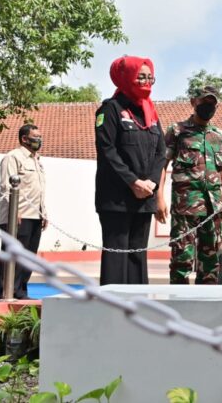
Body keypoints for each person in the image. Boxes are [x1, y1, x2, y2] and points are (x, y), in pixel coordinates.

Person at [95, 56, 166, 285]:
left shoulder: (151, 112)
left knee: (137, 256)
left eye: (150, 77)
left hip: (145, 197)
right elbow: (107, 150)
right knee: (117, 257)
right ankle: (112, 305)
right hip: (117, 199)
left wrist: (152, 182)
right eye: (140, 76)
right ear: (126, 77)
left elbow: (161, 152)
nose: (146, 82)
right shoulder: (110, 109)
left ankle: (138, 303)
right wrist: (133, 182)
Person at [159, 86, 222, 284]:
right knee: (181, 259)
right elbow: (162, 166)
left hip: (213, 207)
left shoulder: (218, 135)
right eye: (204, 102)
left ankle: (207, 300)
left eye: (212, 104)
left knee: (210, 260)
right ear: (194, 103)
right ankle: (179, 299)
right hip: (185, 206)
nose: (207, 107)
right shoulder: (177, 131)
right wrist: (158, 198)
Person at [0, 124, 47, 300]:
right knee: (13, 256)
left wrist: (43, 212)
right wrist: (14, 210)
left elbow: (39, 189)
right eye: (36, 136)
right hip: (17, 216)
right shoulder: (13, 157)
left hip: (34, 215)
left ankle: (20, 292)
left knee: (28, 257)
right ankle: (5, 292)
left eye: (40, 136)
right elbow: (6, 186)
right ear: (24, 138)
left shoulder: (36, 160)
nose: (39, 140)